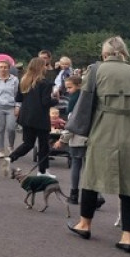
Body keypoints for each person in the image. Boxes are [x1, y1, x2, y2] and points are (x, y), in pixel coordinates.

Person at [67, 37, 130, 253]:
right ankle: (127, 237)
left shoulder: (95, 70)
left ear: (105, 53)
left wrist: (75, 130)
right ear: (124, 53)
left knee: (91, 178)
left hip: (103, 130)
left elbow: (85, 104)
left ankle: (85, 223)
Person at [3, 57, 56, 177]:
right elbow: (45, 102)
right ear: (41, 67)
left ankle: (10, 158)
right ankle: (42, 171)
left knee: (28, 143)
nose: (46, 67)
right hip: (40, 118)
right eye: (45, 65)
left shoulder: (24, 81)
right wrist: (56, 99)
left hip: (26, 117)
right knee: (43, 145)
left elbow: (19, 98)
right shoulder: (45, 83)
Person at [53, 74, 85, 204]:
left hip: (77, 137)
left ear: (79, 86)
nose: (67, 90)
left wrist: (62, 139)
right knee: (89, 168)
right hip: (90, 137)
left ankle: (74, 193)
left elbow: (72, 122)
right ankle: (96, 195)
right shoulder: (89, 98)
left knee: (76, 165)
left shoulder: (74, 100)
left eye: (70, 87)